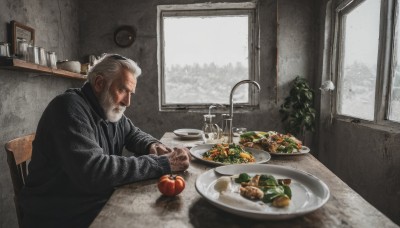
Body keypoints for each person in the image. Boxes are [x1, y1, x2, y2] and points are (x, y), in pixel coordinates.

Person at [19, 54, 191, 227]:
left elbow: (134, 134)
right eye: (123, 90)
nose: (128, 102)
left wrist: (152, 145)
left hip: (91, 202)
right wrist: (161, 164)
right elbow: (94, 171)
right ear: (100, 83)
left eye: (131, 93)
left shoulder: (107, 108)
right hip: (60, 215)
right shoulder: (68, 108)